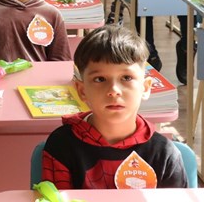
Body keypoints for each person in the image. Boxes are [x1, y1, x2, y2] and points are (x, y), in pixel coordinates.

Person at [41, 25, 187, 190]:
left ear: (145, 88)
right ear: (82, 91)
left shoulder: (164, 154)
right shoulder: (62, 145)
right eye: (100, 79)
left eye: (126, 77)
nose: (114, 90)